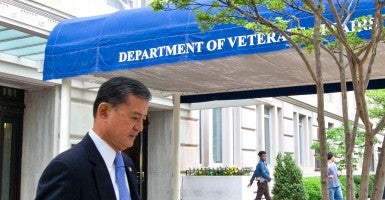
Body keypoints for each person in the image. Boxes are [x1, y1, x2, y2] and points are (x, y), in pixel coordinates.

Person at [35, 77, 152, 200]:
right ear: (104, 112)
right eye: (134, 117)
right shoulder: (68, 168)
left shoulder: (127, 164)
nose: (140, 127)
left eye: (143, 119)